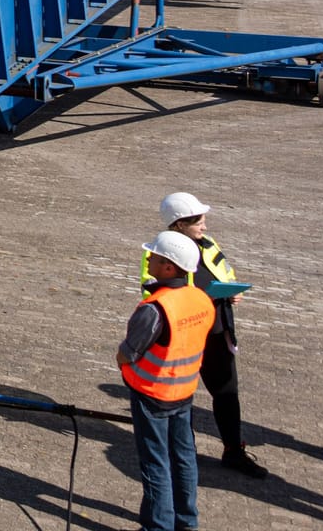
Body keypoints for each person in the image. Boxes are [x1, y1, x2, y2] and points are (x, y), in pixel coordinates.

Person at [146, 192, 267, 478]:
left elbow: (225, 272)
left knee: (227, 393)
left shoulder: (209, 244)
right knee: (180, 396)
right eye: (197, 220)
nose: (205, 225)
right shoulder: (160, 252)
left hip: (217, 330)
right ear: (178, 224)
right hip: (185, 335)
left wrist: (231, 291)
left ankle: (233, 451)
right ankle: (183, 453)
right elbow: (152, 293)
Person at [121, 231, 213, 531]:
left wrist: (121, 362)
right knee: (184, 458)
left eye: (155, 257)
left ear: (169, 267)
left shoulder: (155, 308)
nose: (148, 259)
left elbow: (128, 353)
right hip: (184, 393)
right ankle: (187, 522)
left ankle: (158, 527)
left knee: (155, 464)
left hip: (152, 395)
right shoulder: (201, 299)